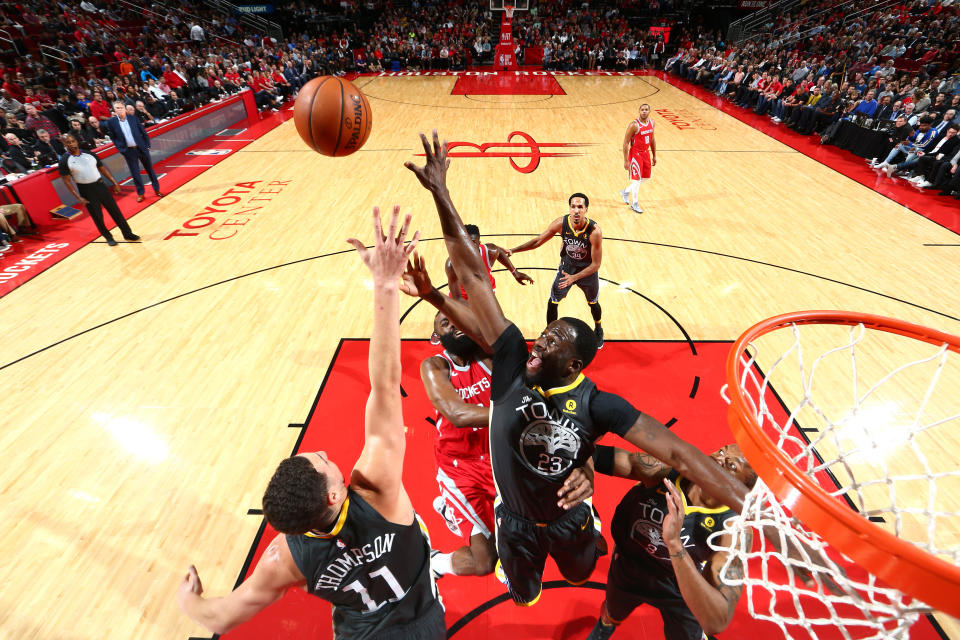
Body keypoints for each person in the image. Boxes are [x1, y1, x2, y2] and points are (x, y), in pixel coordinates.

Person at [404, 131, 749, 607]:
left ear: (573, 364)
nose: (538, 341)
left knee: (583, 569)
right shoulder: (509, 364)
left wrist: (758, 508)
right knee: (524, 593)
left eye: (551, 342)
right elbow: (471, 274)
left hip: (569, 519)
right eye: (543, 335)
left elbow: (683, 456)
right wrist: (441, 194)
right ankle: (519, 574)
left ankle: (587, 536)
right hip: (516, 521)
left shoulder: (599, 404)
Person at [178, 207, 446, 639]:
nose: (323, 452)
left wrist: (187, 601)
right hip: (422, 621)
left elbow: (220, 619)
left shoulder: (285, 558)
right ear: (336, 494)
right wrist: (385, 284)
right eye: (323, 461)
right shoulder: (376, 490)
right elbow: (385, 383)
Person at [584, 444, 756, 640]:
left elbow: (717, 619)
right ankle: (605, 627)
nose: (718, 458)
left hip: (681, 583)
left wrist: (674, 543)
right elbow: (596, 454)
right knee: (612, 611)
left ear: (742, 489)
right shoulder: (666, 471)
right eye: (722, 450)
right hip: (630, 564)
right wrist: (584, 473)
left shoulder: (733, 530)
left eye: (731, 465)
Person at [507, 194, 605, 349]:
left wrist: (575, 278)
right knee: (553, 302)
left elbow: (596, 264)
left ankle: (598, 329)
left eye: (580, 207)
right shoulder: (561, 223)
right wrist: (514, 250)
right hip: (567, 268)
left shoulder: (594, 232)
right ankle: (549, 333)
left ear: (586, 209)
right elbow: (538, 240)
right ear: (569, 208)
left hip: (587, 271)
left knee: (593, 303)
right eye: (573, 206)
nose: (576, 211)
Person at [57, 133, 139, 246]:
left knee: (115, 211)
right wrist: (78, 197)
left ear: (76, 141)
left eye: (73, 141)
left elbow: (103, 169)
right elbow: (67, 181)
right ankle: (108, 237)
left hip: (100, 185)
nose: (71, 144)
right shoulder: (64, 161)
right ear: (64, 144)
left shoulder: (89, 154)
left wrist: (115, 183)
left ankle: (127, 233)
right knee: (97, 216)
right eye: (68, 142)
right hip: (86, 190)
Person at [445, 224, 533, 300]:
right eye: (465, 242)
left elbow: (499, 252)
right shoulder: (452, 263)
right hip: (462, 297)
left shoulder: (490, 251)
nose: (469, 246)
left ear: (479, 243)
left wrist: (515, 272)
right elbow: (456, 298)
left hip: (486, 294)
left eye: (472, 242)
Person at [105, 101, 163, 202]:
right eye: (117, 108)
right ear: (114, 110)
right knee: (135, 173)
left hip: (141, 148)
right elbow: (113, 137)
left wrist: (147, 145)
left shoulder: (133, 118)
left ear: (124, 109)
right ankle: (141, 193)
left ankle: (157, 190)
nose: (119, 109)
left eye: (121, 107)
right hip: (128, 151)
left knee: (150, 170)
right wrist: (121, 149)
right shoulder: (111, 122)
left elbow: (143, 132)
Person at [619, 103, 656, 214]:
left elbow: (652, 140)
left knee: (646, 178)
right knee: (637, 179)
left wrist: (654, 155)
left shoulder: (652, 123)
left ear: (649, 111)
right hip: (635, 154)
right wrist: (626, 160)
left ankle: (625, 191)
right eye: (642, 109)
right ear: (639, 111)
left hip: (645, 153)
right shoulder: (634, 125)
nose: (644, 111)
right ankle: (634, 203)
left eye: (646, 109)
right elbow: (625, 142)